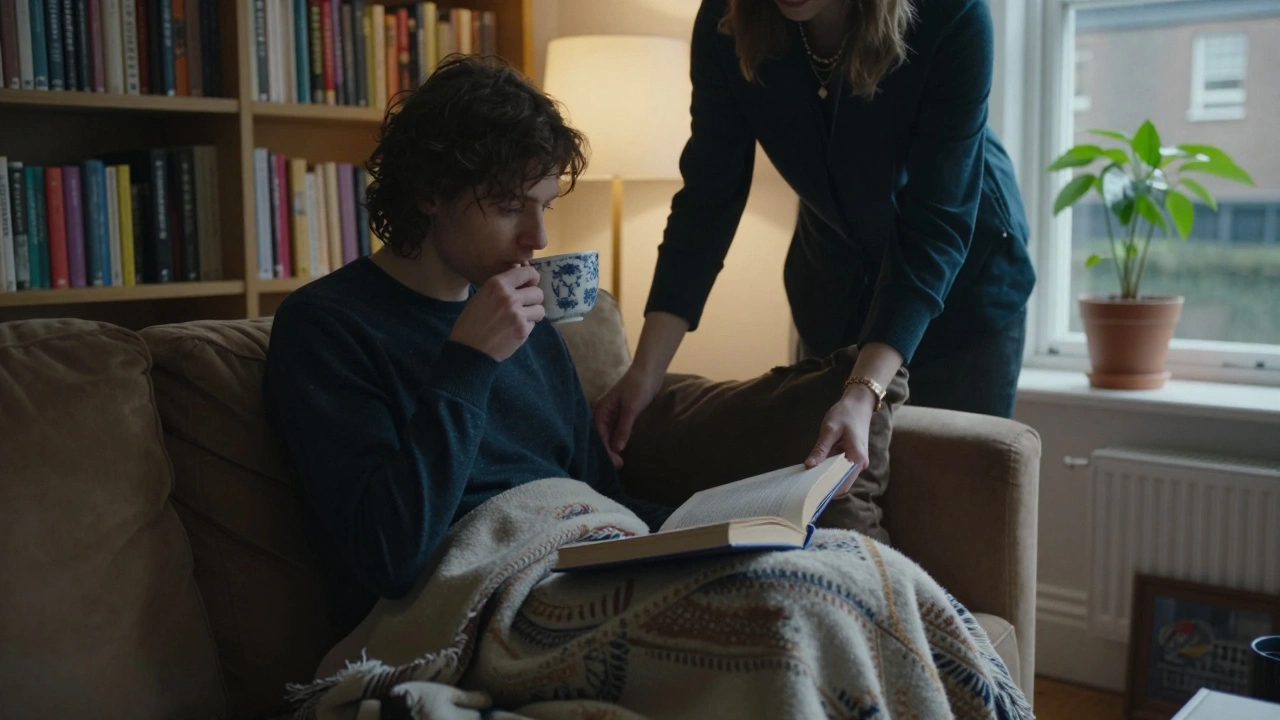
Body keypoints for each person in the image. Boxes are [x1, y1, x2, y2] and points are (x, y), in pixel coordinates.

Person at [261, 56, 671, 637]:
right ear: (431, 192)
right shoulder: (325, 328)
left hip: (592, 569)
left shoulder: (532, 318)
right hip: (477, 610)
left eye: (544, 206)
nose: (539, 238)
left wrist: (723, 527)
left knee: (814, 574)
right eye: (510, 208)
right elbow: (391, 556)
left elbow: (604, 498)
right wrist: (468, 364)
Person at [593, 0, 1036, 477]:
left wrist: (864, 388)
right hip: (834, 286)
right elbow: (707, 200)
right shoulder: (728, 17)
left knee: (953, 498)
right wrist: (645, 372)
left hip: (962, 289)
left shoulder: (954, 14)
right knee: (827, 494)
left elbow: (936, 225)